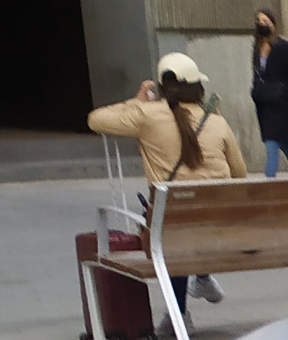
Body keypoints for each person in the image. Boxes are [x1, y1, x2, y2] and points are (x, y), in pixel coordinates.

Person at [88, 52, 245, 310]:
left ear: (162, 88)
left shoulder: (146, 116)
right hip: (218, 225)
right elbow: (239, 175)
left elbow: (95, 120)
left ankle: (178, 315)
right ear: (199, 88)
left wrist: (136, 102)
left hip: (169, 224)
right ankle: (202, 278)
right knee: (186, 224)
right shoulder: (217, 121)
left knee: (170, 228)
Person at [249, 10, 288, 177]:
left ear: (273, 24)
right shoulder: (257, 48)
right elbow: (258, 73)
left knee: (271, 145)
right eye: (259, 20)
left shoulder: (284, 46)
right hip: (265, 103)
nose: (262, 23)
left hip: (281, 105)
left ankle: (269, 184)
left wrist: (283, 91)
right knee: (285, 145)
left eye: (265, 20)